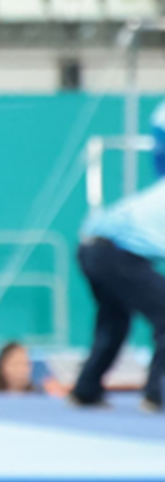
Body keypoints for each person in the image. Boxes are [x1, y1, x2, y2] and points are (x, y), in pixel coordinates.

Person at [70, 155, 165, 412]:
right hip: (117, 253)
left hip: (89, 249)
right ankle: (156, 394)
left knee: (113, 321)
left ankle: (86, 390)